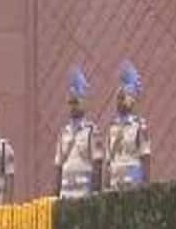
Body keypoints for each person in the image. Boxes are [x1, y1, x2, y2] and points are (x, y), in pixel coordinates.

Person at [54, 66, 104, 199]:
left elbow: (97, 165)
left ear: (83, 103)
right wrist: (56, 195)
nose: (72, 107)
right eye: (70, 103)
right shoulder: (64, 133)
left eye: (76, 102)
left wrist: (95, 195)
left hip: (84, 194)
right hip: (66, 194)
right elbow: (59, 166)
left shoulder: (92, 132)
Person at [105, 62, 151, 190]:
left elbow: (145, 157)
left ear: (131, 100)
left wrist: (146, 186)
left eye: (122, 98)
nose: (119, 102)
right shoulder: (112, 127)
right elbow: (108, 160)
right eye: (118, 98)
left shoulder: (139, 126)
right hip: (115, 182)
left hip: (132, 182)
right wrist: (106, 185)